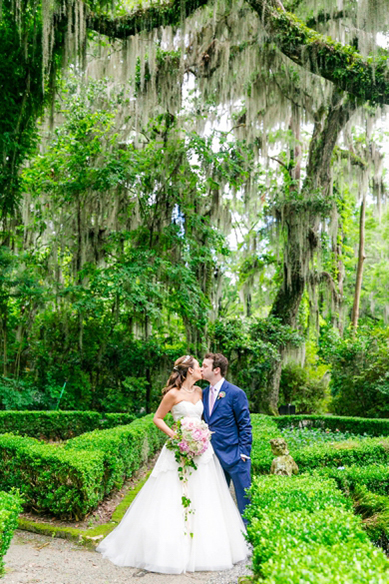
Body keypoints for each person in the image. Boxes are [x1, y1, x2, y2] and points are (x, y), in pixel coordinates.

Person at [96, 355, 249, 574]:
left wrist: (200, 437)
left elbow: (212, 419)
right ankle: (169, 547)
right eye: (198, 367)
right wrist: (177, 436)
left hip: (201, 452)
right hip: (178, 449)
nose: (201, 370)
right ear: (189, 371)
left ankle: (207, 547)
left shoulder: (200, 393)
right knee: (172, 496)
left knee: (205, 496)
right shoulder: (173, 394)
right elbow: (157, 418)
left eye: (204, 367)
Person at [201, 353, 252, 523]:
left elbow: (245, 424)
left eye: (205, 366)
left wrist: (244, 452)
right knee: (216, 501)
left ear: (216, 370)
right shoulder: (203, 393)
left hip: (236, 455)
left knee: (245, 501)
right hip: (212, 457)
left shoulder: (235, 393)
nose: (201, 369)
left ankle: (250, 537)